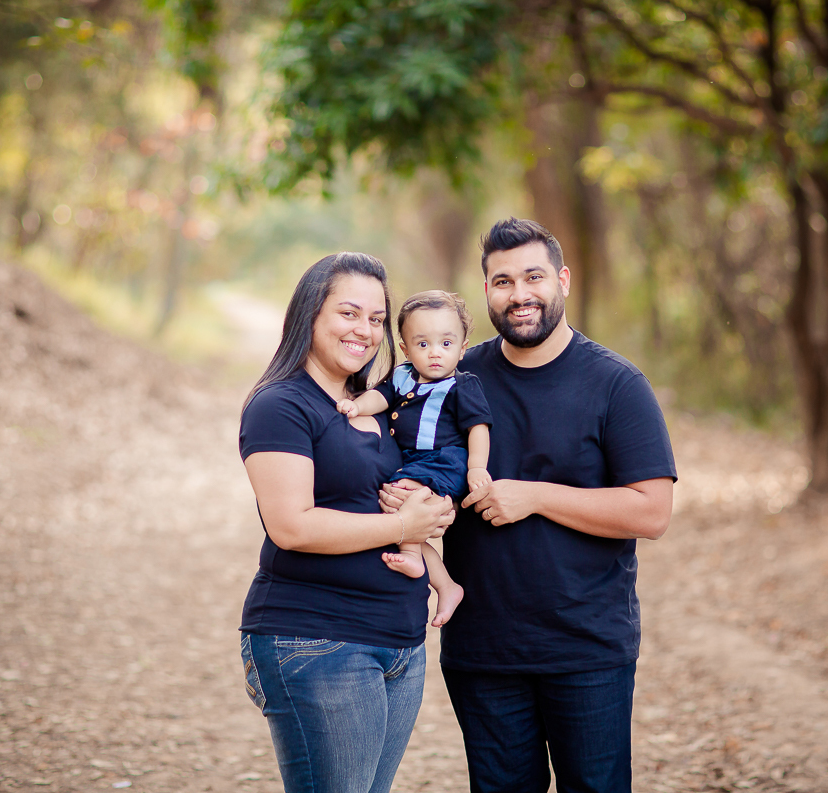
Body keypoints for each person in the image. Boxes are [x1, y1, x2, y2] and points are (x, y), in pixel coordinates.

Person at [381, 218, 677, 793]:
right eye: (503, 281)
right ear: (485, 291)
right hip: (483, 648)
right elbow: (402, 452)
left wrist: (535, 497)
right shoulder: (453, 375)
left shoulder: (616, 384)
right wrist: (407, 497)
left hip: (586, 648)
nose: (520, 294)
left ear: (562, 280)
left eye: (533, 277)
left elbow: (652, 512)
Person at [237, 252, 456, 793]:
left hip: (400, 642)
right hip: (318, 639)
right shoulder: (281, 406)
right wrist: (404, 528)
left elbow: (399, 494)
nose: (365, 330)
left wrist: (434, 510)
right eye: (349, 313)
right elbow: (293, 527)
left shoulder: (375, 404)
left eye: (377, 319)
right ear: (310, 313)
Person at [338, 290, 492, 627]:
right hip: (411, 461)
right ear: (406, 348)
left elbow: (478, 428)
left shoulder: (462, 385)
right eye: (423, 344)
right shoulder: (401, 376)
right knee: (400, 513)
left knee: (404, 500)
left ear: (463, 348)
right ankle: (446, 585)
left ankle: (413, 557)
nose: (435, 353)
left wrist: (477, 468)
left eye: (446, 344)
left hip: (443, 462)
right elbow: (379, 398)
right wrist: (357, 406)